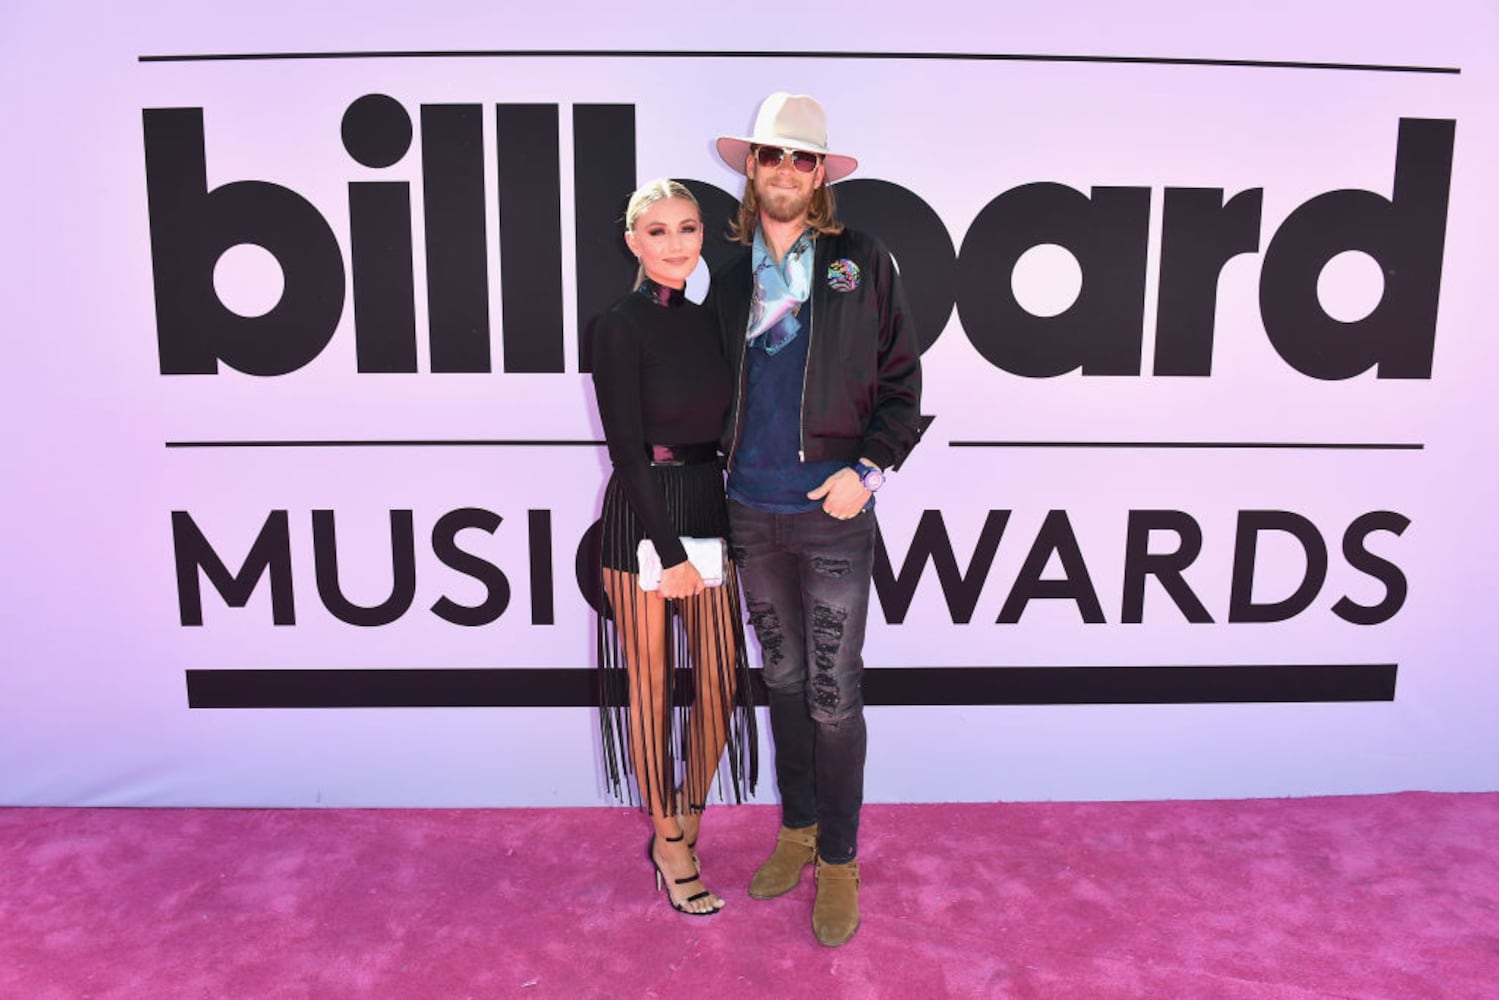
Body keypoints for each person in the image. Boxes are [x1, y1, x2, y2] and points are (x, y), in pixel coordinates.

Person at [707, 93, 923, 946]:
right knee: (784, 683)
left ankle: (839, 856)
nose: (786, 172)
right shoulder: (724, 282)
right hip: (748, 515)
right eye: (772, 157)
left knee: (834, 697)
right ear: (751, 170)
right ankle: (795, 830)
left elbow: (902, 388)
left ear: (821, 175)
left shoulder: (861, 261)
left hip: (833, 516)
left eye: (802, 159)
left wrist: (866, 471)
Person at [589, 179, 757, 916]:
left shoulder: (712, 321)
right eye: (657, 231)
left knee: (721, 682)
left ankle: (685, 811)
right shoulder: (618, 324)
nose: (675, 243)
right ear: (633, 242)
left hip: (707, 507)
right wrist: (672, 554)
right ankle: (668, 841)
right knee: (652, 692)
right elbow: (626, 452)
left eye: (687, 228)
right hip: (643, 519)